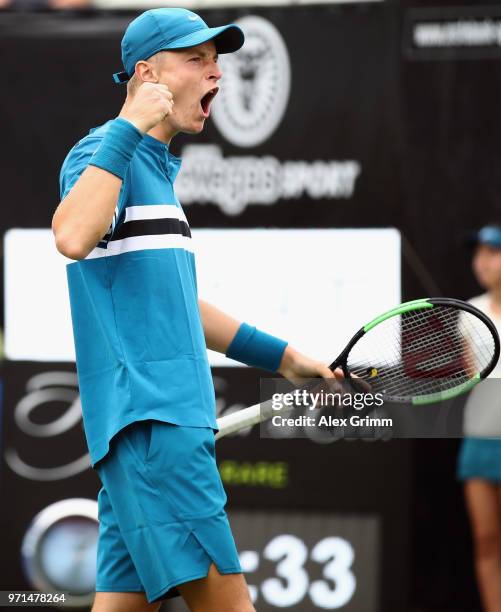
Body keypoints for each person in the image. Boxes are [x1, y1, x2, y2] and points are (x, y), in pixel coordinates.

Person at [51, 8, 343, 612]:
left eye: (217, 62)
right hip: (156, 432)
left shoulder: (151, 168)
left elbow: (180, 307)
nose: (216, 76)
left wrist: (285, 358)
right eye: (196, 61)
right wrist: (128, 125)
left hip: (143, 439)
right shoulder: (107, 154)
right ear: (147, 73)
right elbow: (73, 236)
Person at [457, 224, 501, 612]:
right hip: (478, 438)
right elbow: (471, 376)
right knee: (487, 542)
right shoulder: (468, 314)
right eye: (479, 253)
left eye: (493, 252)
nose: (483, 261)